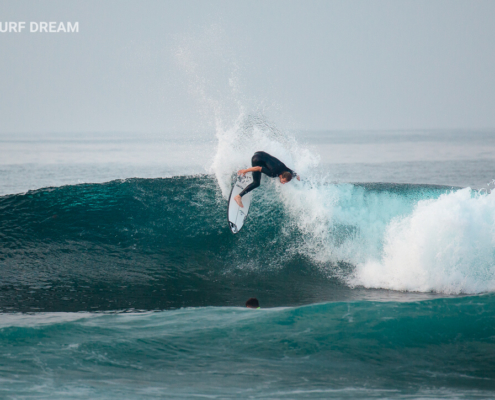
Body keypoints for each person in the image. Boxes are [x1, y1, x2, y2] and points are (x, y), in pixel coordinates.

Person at [234, 151, 300, 208]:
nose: (283, 183)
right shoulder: (273, 173)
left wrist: (297, 176)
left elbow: (292, 173)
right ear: (281, 176)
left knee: (263, 169)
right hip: (256, 160)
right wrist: (245, 171)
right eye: (283, 181)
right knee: (256, 183)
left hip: (260, 153)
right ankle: (238, 196)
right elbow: (258, 168)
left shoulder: (285, 168)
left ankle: (247, 172)